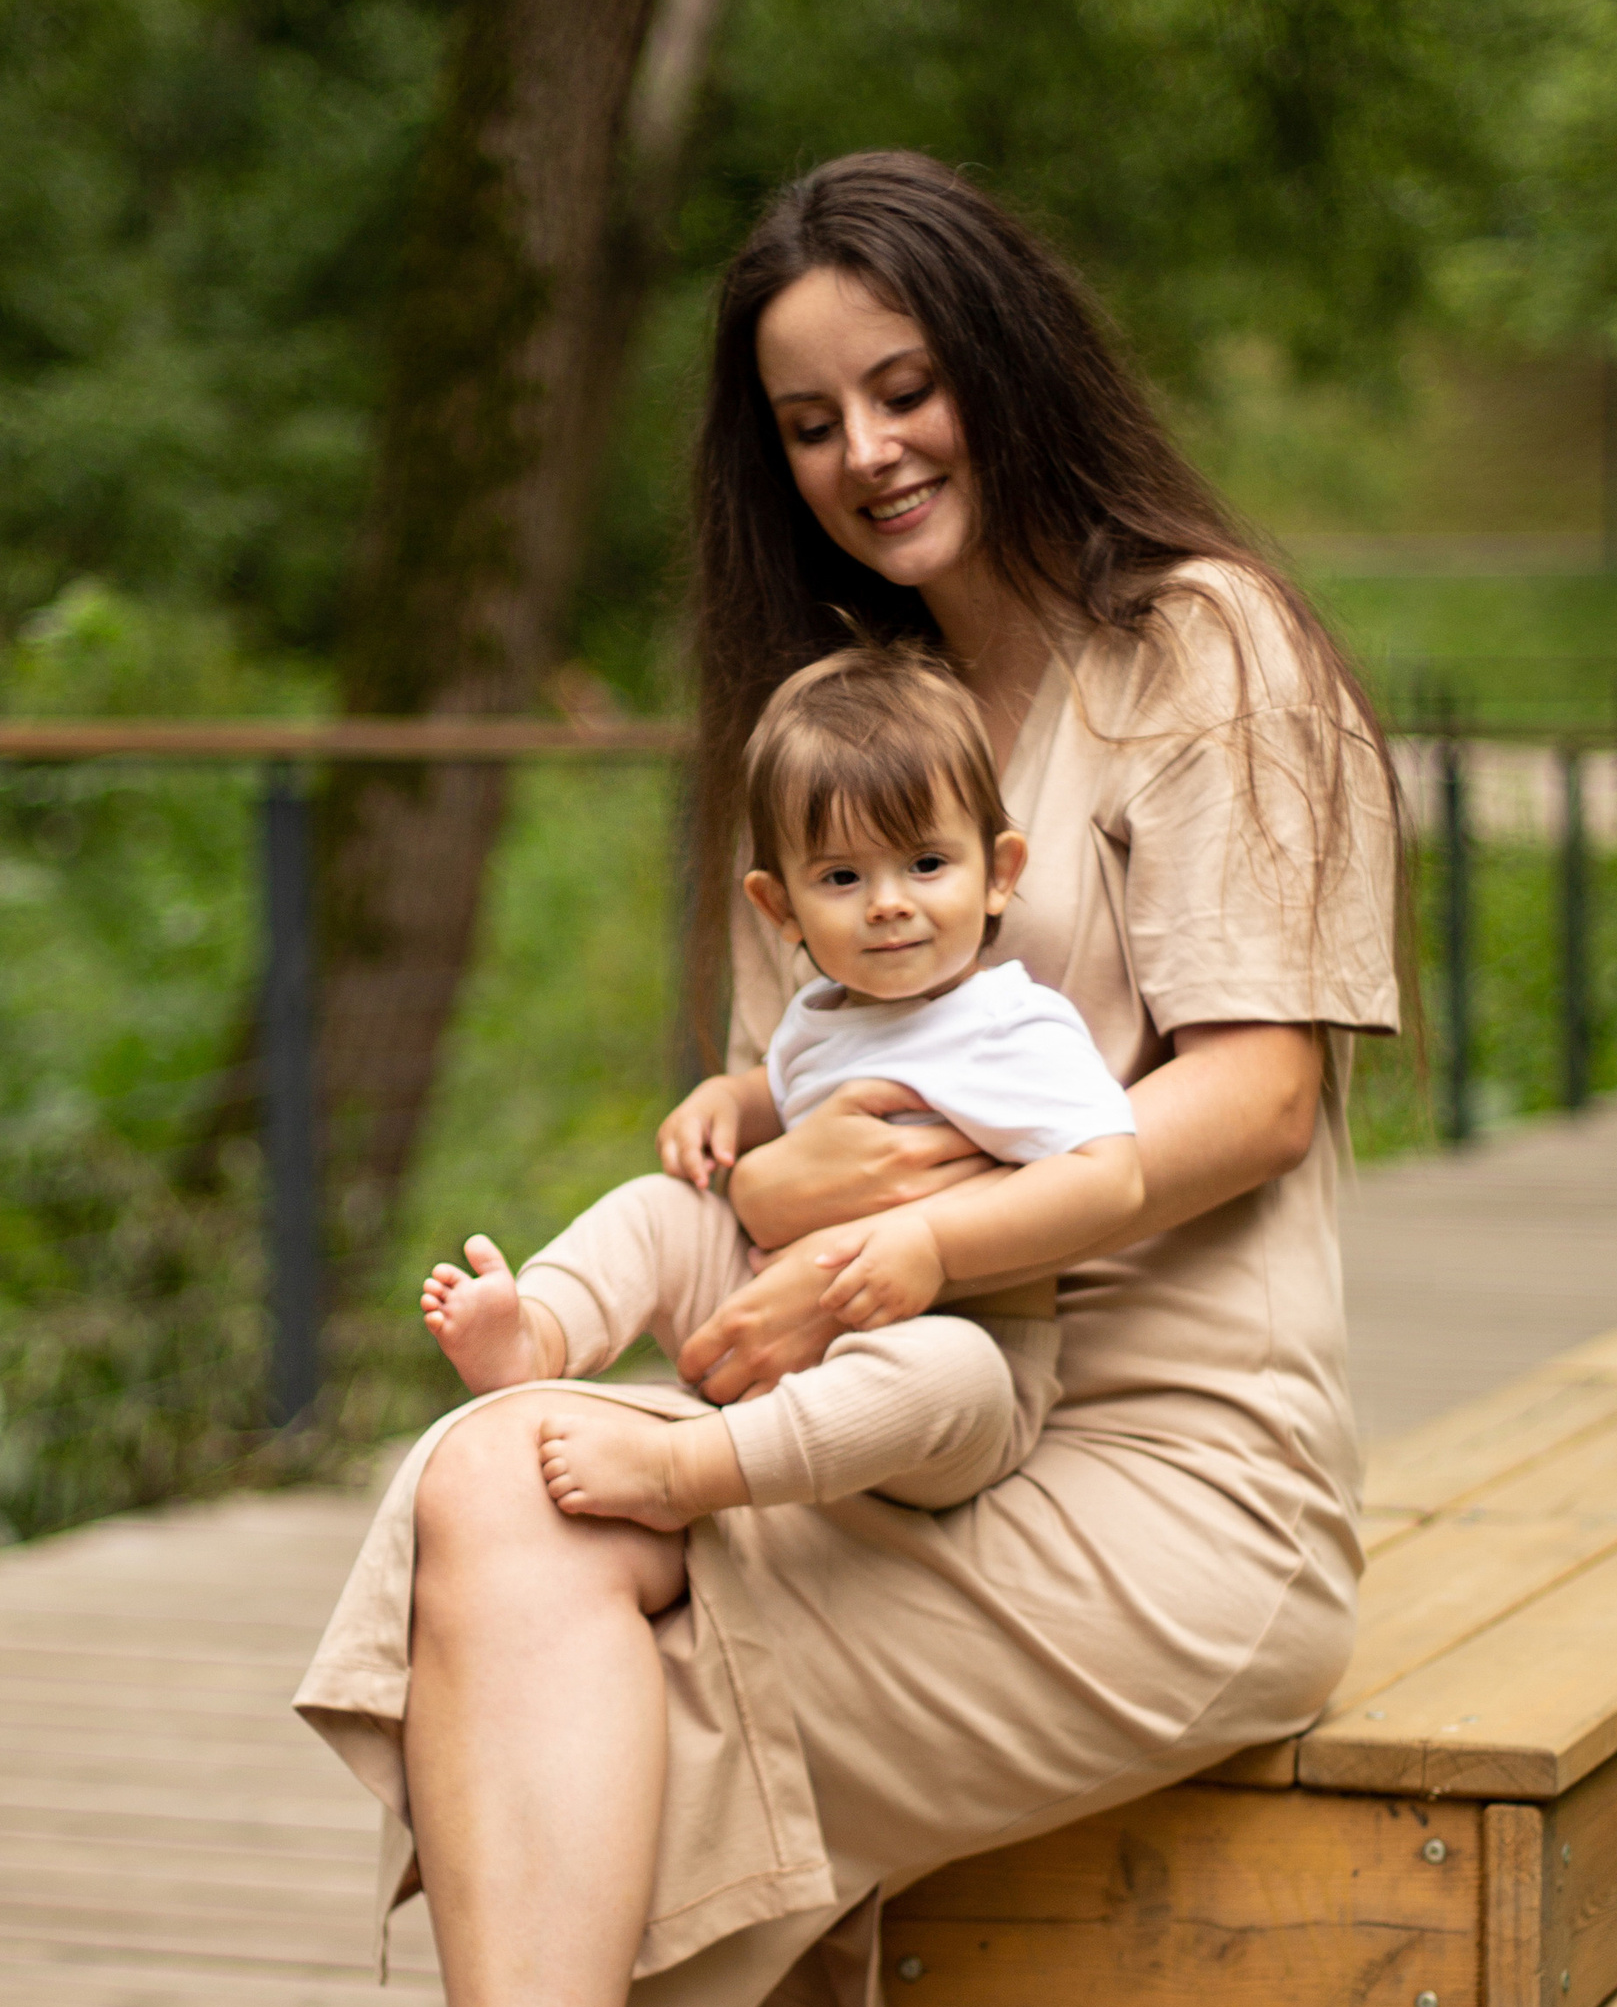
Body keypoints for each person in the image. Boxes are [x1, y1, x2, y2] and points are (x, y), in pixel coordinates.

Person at [222, 149, 1400, 2007]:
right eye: (802, 419)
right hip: (890, 1429)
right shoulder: (838, 730)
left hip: (1166, 1480)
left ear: (1006, 362)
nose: (864, 449)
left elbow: (1252, 1096)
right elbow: (780, 1125)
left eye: (902, 383)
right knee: (499, 1480)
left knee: (573, 1666)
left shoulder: (1200, 652)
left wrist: (909, 1239)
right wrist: (771, 1188)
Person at [419, 641, 1142, 1532]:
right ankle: (537, 1334)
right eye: (842, 876)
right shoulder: (819, 1014)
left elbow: (1112, 1177)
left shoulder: (1011, 1024)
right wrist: (730, 1101)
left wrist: (935, 1246)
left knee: (944, 1373)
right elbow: (789, 1083)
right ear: (779, 907)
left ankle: (683, 1470)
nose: (887, 902)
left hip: (964, 1352)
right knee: (659, 1211)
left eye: (926, 864)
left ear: (998, 874)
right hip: (775, 1317)